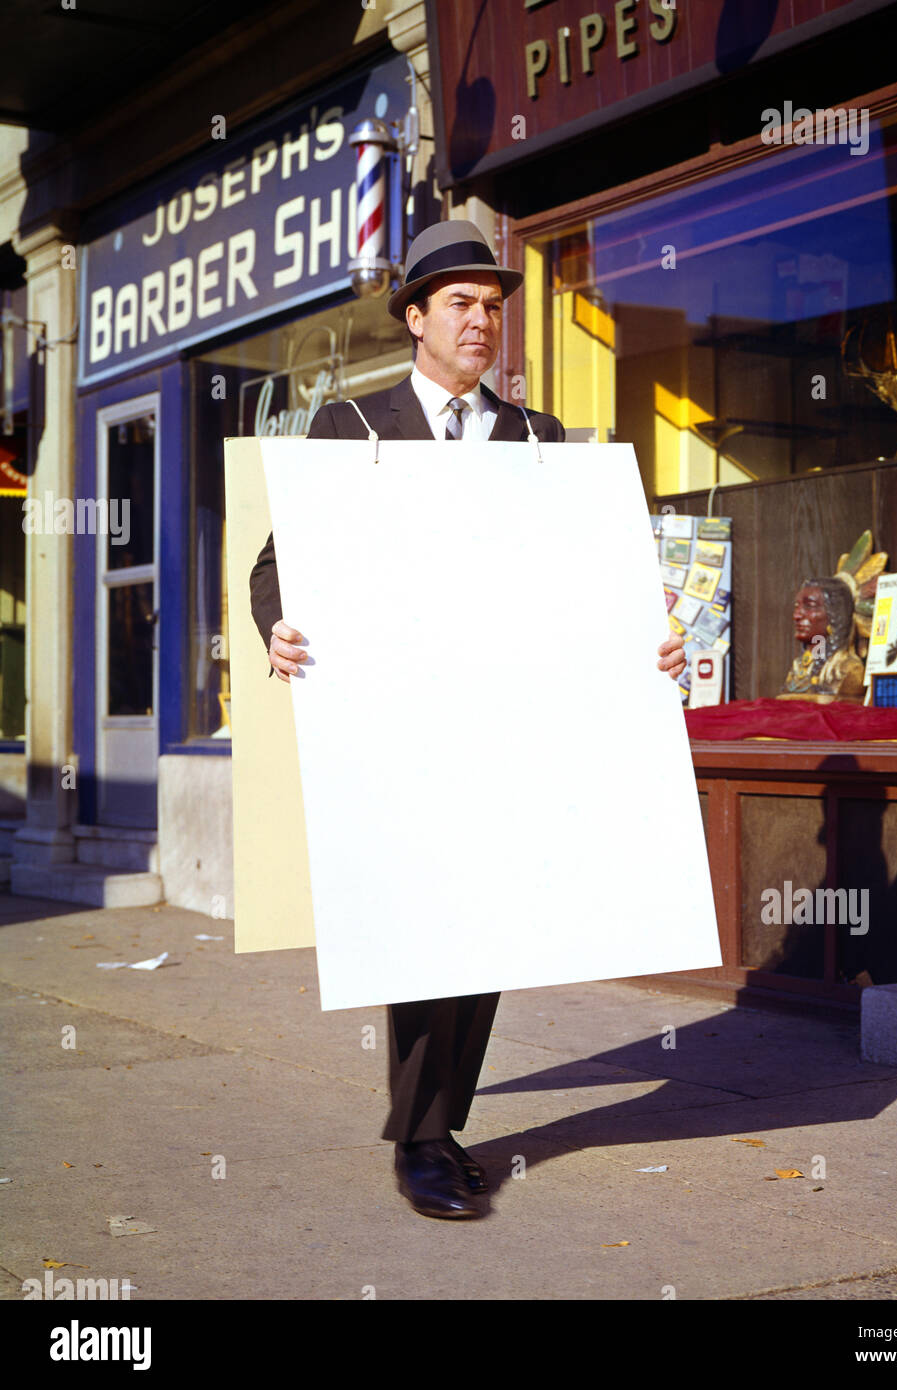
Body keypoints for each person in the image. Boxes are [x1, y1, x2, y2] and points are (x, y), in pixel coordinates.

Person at [249, 219, 687, 1219]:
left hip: (506, 727)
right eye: (460, 302)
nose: (482, 320)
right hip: (397, 726)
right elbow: (279, 565)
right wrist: (276, 630)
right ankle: (419, 1136)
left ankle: (443, 1121)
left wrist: (641, 640)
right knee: (418, 931)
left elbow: (582, 586)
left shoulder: (538, 441)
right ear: (414, 318)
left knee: (484, 933)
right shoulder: (350, 431)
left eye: (494, 304)